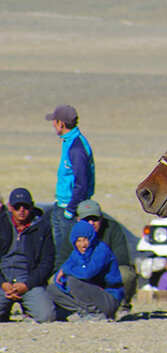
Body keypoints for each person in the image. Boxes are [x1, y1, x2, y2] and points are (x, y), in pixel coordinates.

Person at [46, 103, 95, 267]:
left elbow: (81, 183)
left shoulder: (76, 148)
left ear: (61, 123)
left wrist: (70, 211)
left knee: (65, 256)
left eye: (54, 121)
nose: (53, 124)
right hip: (62, 205)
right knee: (57, 252)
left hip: (69, 211)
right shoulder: (70, 142)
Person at [0, 188, 57, 323]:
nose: (21, 210)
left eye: (25, 206)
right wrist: (3, 283)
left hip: (28, 280)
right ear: (9, 207)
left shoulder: (43, 227)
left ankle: (28, 313)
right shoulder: (1, 223)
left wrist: (27, 284)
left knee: (47, 316)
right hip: (3, 279)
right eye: (17, 206)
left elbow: (47, 262)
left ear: (32, 205)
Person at [48, 220, 124, 321]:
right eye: (79, 241)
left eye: (85, 240)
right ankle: (84, 312)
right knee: (52, 289)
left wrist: (66, 271)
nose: (83, 244)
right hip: (90, 295)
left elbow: (87, 273)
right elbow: (59, 276)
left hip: (108, 297)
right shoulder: (76, 253)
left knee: (73, 280)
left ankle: (95, 313)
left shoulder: (101, 250)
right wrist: (66, 287)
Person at [76, 199, 136, 315]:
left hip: (107, 274)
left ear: (101, 218)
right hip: (83, 276)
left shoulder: (112, 229)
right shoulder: (72, 232)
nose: (91, 223)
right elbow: (63, 260)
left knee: (126, 273)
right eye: (86, 220)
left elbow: (122, 259)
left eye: (95, 219)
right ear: (78, 220)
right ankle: (79, 309)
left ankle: (121, 307)